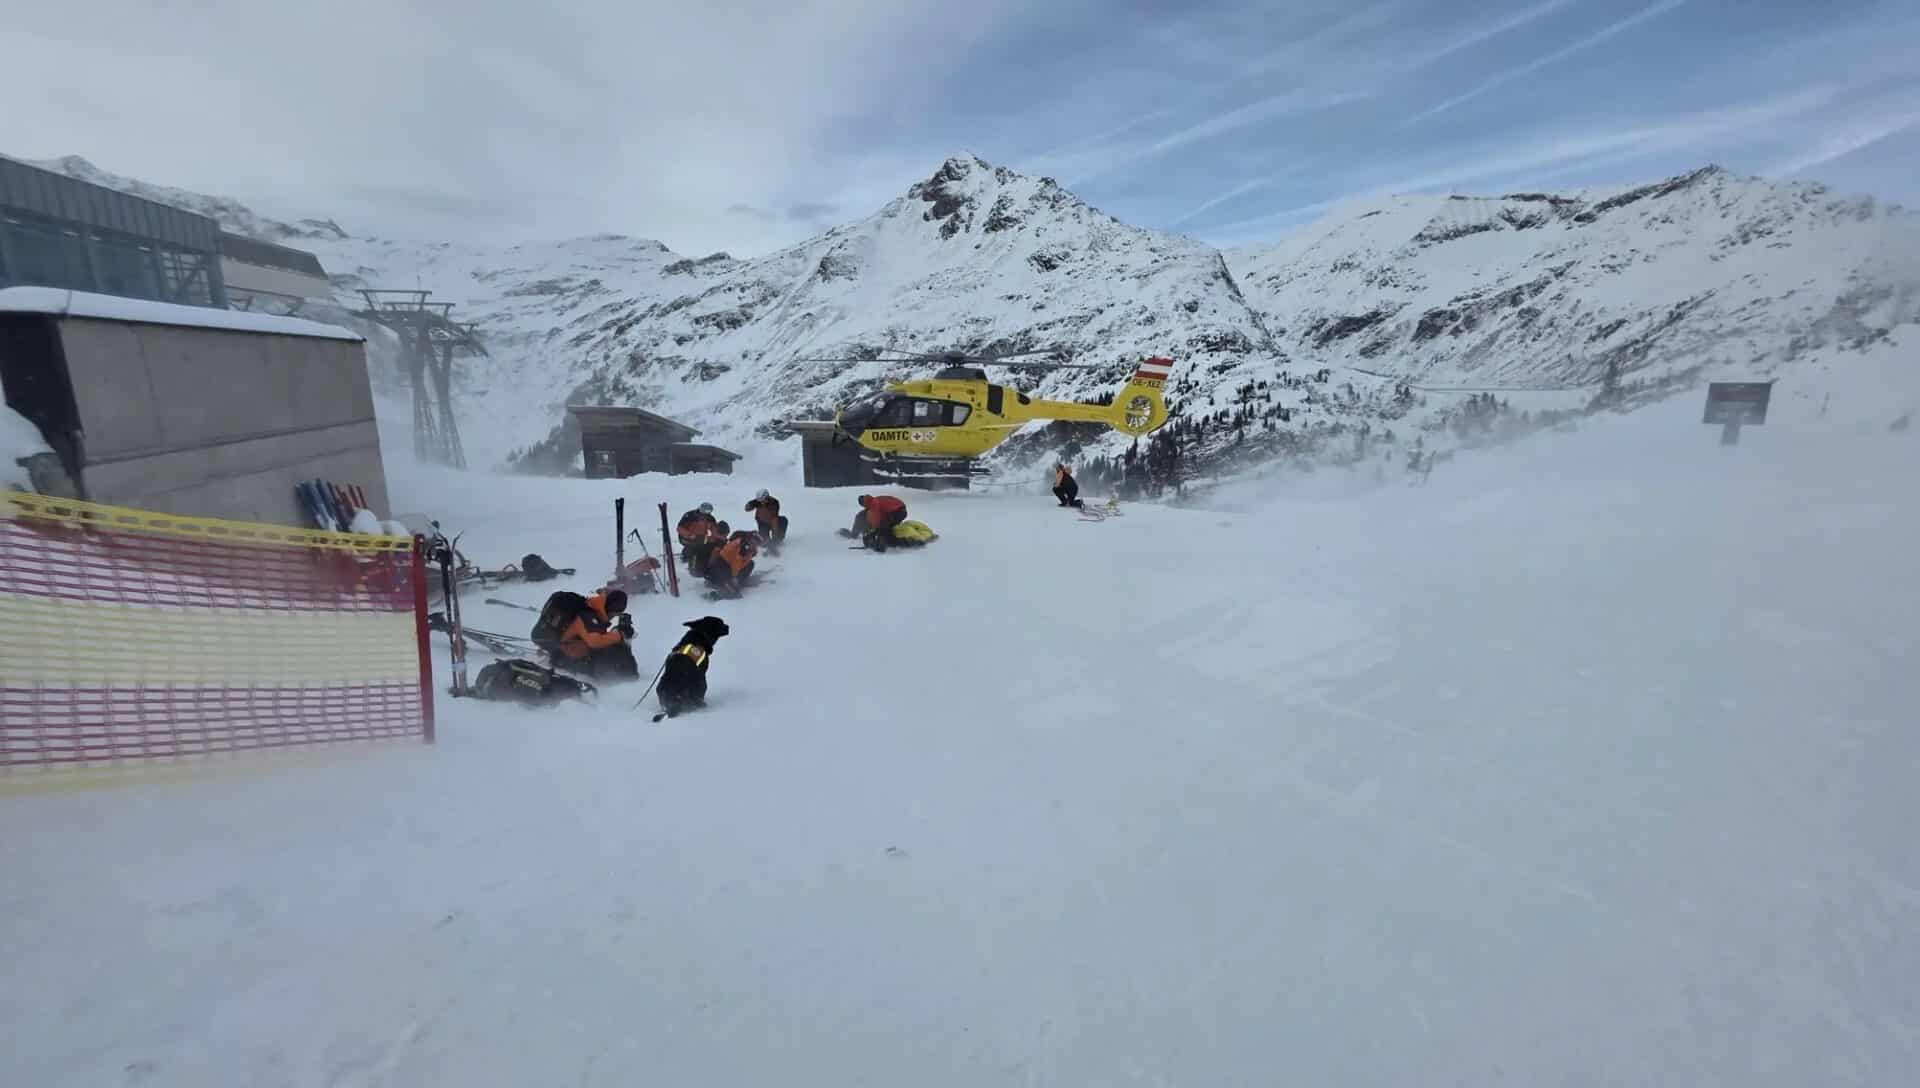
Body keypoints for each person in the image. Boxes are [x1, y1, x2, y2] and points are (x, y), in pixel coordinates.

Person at [653, 616, 731, 720]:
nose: (725, 628)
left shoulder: (681, 649)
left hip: (664, 693)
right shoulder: (698, 652)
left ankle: (672, 704)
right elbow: (699, 679)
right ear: (710, 631)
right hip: (685, 698)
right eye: (720, 627)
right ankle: (680, 703)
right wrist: (697, 700)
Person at [555, 588, 638, 678]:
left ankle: (624, 674)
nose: (614, 617)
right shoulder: (587, 615)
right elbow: (594, 642)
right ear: (611, 608)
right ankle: (619, 677)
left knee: (613, 647)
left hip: (579, 654)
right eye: (615, 613)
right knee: (610, 650)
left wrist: (618, 633)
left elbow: (598, 638)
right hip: (566, 656)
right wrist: (620, 635)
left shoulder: (596, 615)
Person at [705, 529, 760, 598]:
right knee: (732, 590)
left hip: (730, 567)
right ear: (749, 539)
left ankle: (737, 582)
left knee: (750, 564)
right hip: (721, 565)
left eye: (756, 543)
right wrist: (734, 577)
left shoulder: (750, 548)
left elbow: (743, 563)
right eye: (753, 542)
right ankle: (717, 587)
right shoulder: (743, 547)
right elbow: (736, 563)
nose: (754, 545)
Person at [676, 502, 722, 576]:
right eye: (704, 510)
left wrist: (716, 538)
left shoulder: (710, 519)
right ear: (700, 508)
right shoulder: (690, 515)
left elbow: (714, 531)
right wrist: (689, 535)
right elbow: (680, 528)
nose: (705, 513)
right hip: (686, 537)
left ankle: (703, 564)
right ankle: (687, 557)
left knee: (707, 546)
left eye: (708, 511)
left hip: (701, 538)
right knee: (694, 546)